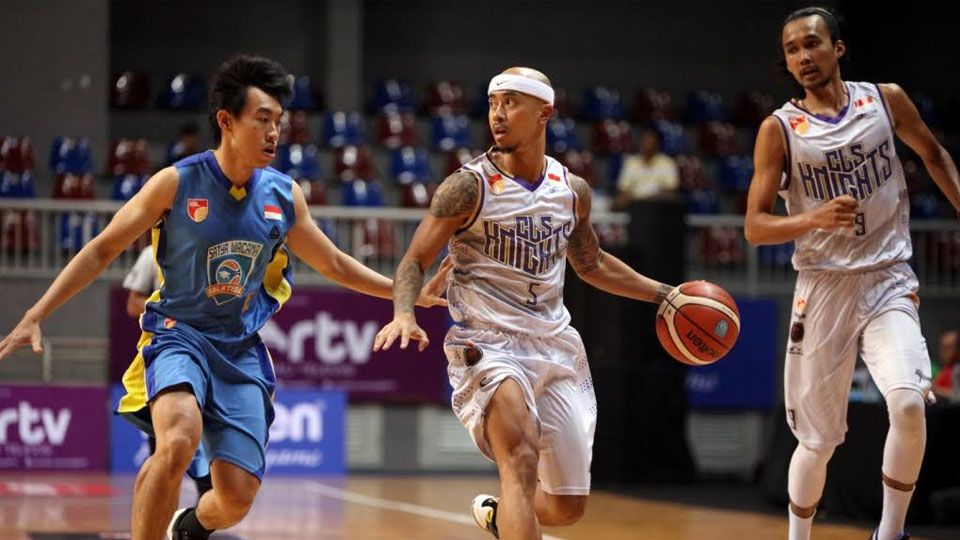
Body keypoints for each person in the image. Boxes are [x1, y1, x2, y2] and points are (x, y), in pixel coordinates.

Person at [0, 55, 445, 540]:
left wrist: (410, 294)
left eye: (279, 122)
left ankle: (188, 528)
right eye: (262, 120)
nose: (275, 132)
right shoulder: (176, 183)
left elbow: (336, 264)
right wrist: (35, 312)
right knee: (175, 443)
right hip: (178, 336)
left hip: (238, 350)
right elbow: (102, 248)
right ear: (226, 121)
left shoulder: (283, 195)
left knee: (234, 499)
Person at [373, 67, 674, 540]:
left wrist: (664, 294)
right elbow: (414, 260)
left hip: (554, 345)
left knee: (566, 507)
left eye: (511, 102)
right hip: (487, 343)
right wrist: (403, 312)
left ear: (544, 113)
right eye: (493, 103)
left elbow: (591, 262)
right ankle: (513, 506)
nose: (498, 113)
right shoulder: (467, 187)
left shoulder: (571, 191)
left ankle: (500, 516)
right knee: (520, 459)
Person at [743, 7, 960, 540]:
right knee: (817, 442)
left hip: (887, 276)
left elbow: (933, 155)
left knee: (909, 404)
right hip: (822, 287)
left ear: (837, 48)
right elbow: (753, 225)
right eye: (792, 49)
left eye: (812, 44)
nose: (802, 57)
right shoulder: (780, 129)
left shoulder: (885, 100)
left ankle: (890, 533)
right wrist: (811, 217)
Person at [122, 246, 214, 499]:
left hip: (210, 359)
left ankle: (196, 525)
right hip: (166, 357)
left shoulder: (214, 246)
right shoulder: (153, 254)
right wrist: (172, 308)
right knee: (165, 454)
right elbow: (133, 304)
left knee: (209, 459)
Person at [612, 127, 679, 209]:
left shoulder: (667, 163)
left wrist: (645, 200)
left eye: (652, 141)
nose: (649, 144)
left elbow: (670, 191)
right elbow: (623, 189)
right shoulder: (631, 162)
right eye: (646, 140)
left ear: (657, 143)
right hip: (634, 207)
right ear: (640, 142)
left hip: (658, 207)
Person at [933, 330, 959, 402]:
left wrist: (937, 390)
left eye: (948, 348)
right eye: (942, 348)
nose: (943, 353)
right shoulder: (945, 370)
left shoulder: (957, 369)